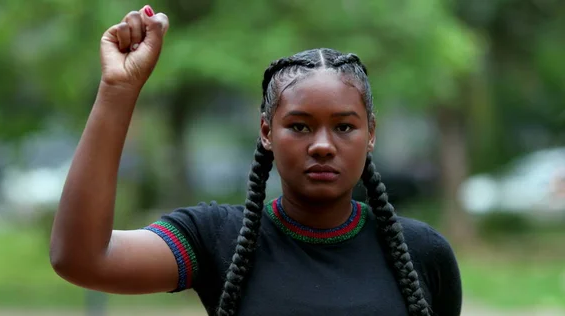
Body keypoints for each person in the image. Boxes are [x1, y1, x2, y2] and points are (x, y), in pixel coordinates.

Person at [49, 4, 462, 316]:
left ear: (371, 133)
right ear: (266, 132)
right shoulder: (215, 239)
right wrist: (118, 89)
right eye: (299, 126)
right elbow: (83, 258)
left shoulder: (421, 252)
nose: (322, 145)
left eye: (344, 127)